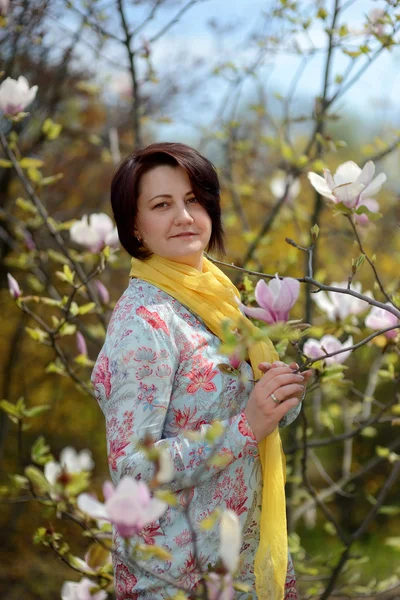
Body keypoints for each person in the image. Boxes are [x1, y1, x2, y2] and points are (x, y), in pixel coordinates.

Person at [91, 142, 312, 599]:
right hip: (178, 575)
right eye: (162, 204)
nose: (184, 216)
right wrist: (246, 425)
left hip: (242, 562)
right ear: (134, 224)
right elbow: (132, 469)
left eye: (193, 200)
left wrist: (278, 395)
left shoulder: (219, 298)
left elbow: (243, 414)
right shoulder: (145, 321)